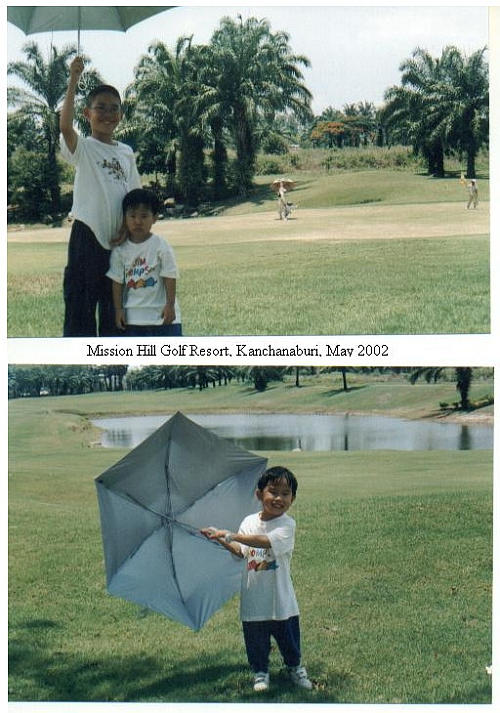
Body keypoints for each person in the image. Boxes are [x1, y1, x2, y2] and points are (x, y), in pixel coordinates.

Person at [201, 466, 312, 693]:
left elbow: (265, 541)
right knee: (256, 640)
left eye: (285, 493)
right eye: (273, 491)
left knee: (289, 639)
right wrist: (220, 538)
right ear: (259, 494)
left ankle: (295, 668)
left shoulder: (287, 525)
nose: (279, 498)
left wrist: (231, 533)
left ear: (293, 498)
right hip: (254, 598)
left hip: (281, 599)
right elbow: (241, 550)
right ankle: (260, 672)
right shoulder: (249, 521)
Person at [59, 56, 142, 337]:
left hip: (120, 242)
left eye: (114, 109)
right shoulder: (83, 148)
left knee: (116, 313)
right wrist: (73, 79)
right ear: (87, 114)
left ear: (121, 114)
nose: (107, 114)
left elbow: (134, 198)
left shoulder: (126, 152)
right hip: (86, 238)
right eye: (100, 108)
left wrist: (126, 230)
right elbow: (65, 128)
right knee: (79, 310)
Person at [106, 188, 181, 336]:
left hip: (162, 316)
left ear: (154, 218)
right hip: (133, 318)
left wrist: (170, 305)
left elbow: (170, 276)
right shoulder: (120, 251)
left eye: (144, 216)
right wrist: (119, 309)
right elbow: (117, 282)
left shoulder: (161, 246)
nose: (138, 221)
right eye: (132, 216)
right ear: (125, 218)